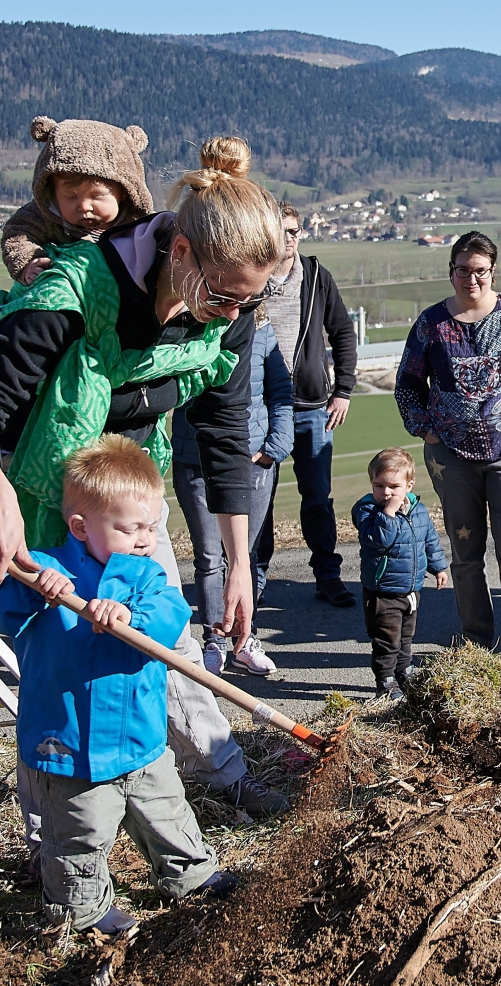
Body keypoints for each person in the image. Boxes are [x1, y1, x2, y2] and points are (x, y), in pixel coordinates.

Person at [0, 134, 289, 819]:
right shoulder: (74, 289)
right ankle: (53, 827)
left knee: (164, 634)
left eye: (248, 302)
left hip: (127, 487)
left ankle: (223, 773)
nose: (233, 315)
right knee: (58, 661)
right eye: (224, 298)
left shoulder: (230, 314)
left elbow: (224, 436)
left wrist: (239, 563)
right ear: (181, 253)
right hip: (30, 487)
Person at [0, 436, 233, 936]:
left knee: (166, 810)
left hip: (140, 737)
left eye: (151, 527)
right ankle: (80, 908)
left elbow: (168, 615)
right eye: (129, 527)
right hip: (72, 748)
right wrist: (27, 587)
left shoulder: (147, 577)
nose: (142, 537)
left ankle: (189, 873)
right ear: (80, 526)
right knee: (79, 834)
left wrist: (131, 617)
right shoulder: (45, 573)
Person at [396, 231, 501, 677]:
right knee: (466, 555)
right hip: (451, 458)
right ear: (451, 272)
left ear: (493, 273)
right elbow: (408, 385)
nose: (472, 279)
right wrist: (427, 434)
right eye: (463, 270)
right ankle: (476, 645)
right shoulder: (430, 324)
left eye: (480, 271)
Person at [174, 311, 292, 678]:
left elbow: (281, 392)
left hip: (252, 460)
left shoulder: (262, 331)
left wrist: (274, 447)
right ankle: (214, 640)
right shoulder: (188, 329)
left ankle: (246, 638)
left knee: (247, 555)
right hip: (193, 458)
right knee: (210, 556)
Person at [258, 203, 360, 607]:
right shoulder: (252, 275)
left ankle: (327, 577)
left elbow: (343, 333)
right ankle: (253, 578)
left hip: (312, 407)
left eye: (294, 231)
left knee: (317, 498)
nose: (289, 238)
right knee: (259, 499)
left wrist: (344, 390)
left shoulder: (316, 277)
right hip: (262, 408)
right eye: (281, 231)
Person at [0, 116, 154, 286]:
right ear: (53, 193)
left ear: (125, 192)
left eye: (97, 196)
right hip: (65, 297)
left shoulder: (144, 227)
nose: (84, 206)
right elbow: (17, 234)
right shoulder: (48, 216)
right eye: (71, 197)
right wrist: (28, 261)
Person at [351, 448, 450, 701]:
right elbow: (378, 541)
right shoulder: (368, 511)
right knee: (386, 639)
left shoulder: (418, 509)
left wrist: (438, 567)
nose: (386, 493)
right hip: (382, 590)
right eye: (379, 485)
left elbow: (429, 539)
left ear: (409, 485)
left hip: (411, 588)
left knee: (406, 635)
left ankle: (404, 670)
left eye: (394, 486)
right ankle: (385, 680)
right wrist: (389, 513)